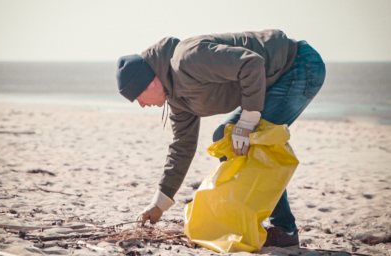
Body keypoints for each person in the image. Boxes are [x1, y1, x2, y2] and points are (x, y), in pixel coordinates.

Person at [116, 29, 326, 247]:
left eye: (137, 97)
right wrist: (159, 202)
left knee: (254, 140)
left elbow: (252, 64)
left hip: (298, 66)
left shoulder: (188, 58)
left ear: (149, 82)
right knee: (225, 137)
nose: (141, 104)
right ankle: (266, 224)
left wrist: (247, 122)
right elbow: (182, 146)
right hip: (272, 80)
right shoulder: (177, 100)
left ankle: (284, 230)